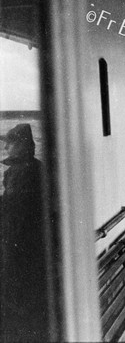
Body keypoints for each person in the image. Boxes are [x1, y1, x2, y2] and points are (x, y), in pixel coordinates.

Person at [0, 123, 47, 339]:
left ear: (21, 145)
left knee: (15, 293)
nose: (6, 147)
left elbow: (17, 211)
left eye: (10, 142)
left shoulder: (22, 172)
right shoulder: (35, 168)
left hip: (20, 246)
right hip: (30, 245)